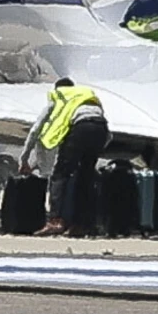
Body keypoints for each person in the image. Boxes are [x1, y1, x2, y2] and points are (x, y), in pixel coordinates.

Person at [19, 78, 112, 237]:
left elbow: (36, 130)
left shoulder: (59, 96)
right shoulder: (85, 96)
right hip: (100, 129)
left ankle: (55, 221)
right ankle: (81, 225)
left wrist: (24, 159)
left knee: (60, 175)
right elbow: (108, 135)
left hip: (80, 128)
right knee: (85, 177)